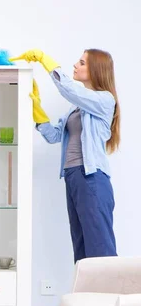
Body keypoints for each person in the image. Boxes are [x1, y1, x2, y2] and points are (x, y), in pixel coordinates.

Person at [11, 49, 120, 263]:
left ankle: (110, 296)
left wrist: (46, 61)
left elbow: (69, 90)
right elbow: (53, 136)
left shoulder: (105, 100)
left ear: (96, 69)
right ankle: (85, 296)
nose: (75, 66)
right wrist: (38, 110)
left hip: (92, 178)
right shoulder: (76, 107)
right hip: (73, 176)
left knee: (100, 249)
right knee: (80, 248)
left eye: (81, 63)